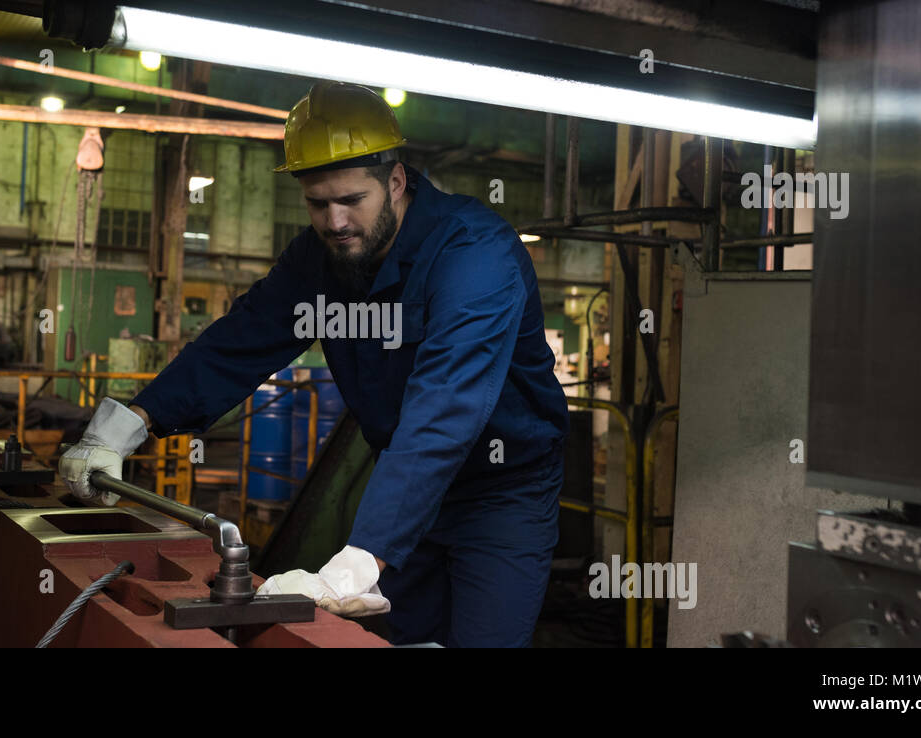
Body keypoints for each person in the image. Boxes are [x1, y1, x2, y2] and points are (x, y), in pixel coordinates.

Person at [60, 81, 569, 647]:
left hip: (500, 493)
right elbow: (241, 341)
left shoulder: (475, 256)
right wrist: (133, 422)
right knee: (403, 640)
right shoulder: (319, 259)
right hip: (406, 488)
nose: (335, 222)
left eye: (351, 201)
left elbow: (447, 405)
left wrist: (367, 553)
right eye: (317, 204)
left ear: (396, 181)